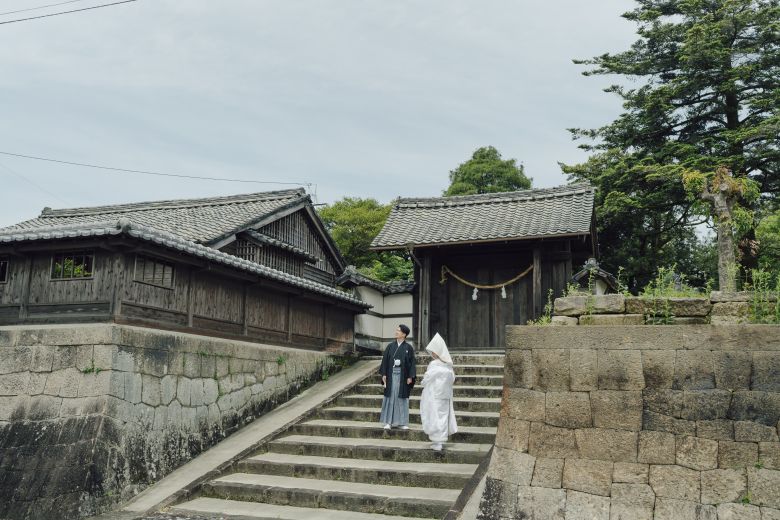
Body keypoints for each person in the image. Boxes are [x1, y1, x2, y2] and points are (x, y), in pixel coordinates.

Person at [419, 333, 457, 451]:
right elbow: (452, 379)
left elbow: (428, 377)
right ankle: (440, 440)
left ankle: (437, 441)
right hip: (444, 393)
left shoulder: (434, 365)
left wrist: (423, 382)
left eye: (434, 351)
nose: (433, 354)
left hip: (435, 394)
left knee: (435, 416)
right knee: (442, 416)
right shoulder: (448, 366)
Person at [379, 324, 416, 430]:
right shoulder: (390, 346)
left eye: (398, 331)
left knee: (402, 399)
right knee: (390, 398)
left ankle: (402, 422)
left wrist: (410, 376)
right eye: (396, 330)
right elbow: (385, 361)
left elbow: (412, 363)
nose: (396, 332)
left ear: (404, 334)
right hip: (391, 376)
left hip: (403, 377)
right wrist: (384, 374)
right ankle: (388, 422)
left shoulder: (408, 348)